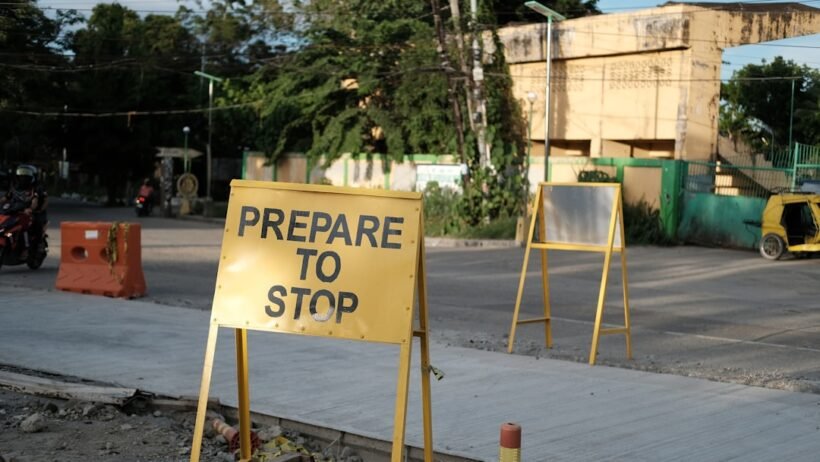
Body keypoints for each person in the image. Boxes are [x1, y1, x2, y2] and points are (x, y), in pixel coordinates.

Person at [0, 164, 48, 255]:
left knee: (26, 227)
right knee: (6, 225)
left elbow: (35, 201)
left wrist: (30, 209)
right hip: (14, 211)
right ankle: (9, 239)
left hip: (31, 213)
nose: (23, 177)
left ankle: (27, 248)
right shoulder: (14, 187)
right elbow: (5, 198)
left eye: (26, 175)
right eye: (21, 174)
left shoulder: (35, 188)